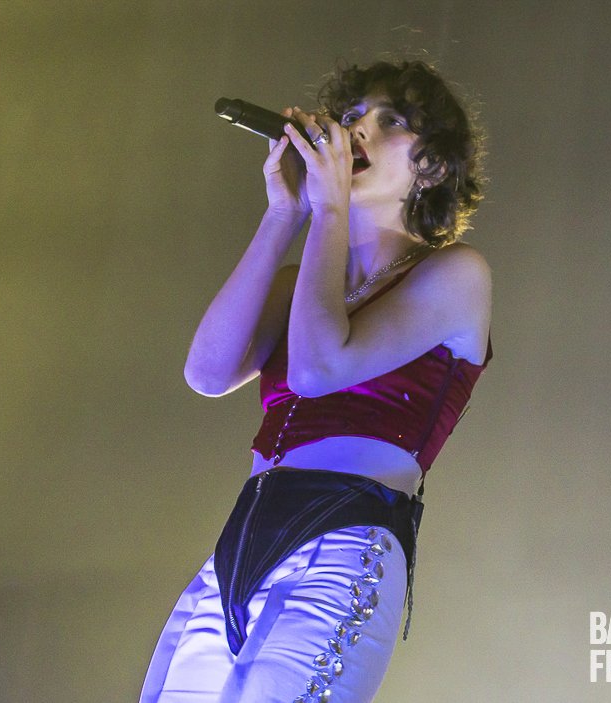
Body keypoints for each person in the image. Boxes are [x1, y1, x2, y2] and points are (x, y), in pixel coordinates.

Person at [139, 59, 492, 703]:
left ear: (436, 168)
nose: (357, 130)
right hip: (242, 538)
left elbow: (317, 369)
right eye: (351, 115)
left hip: (345, 538)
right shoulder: (303, 286)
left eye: (391, 121)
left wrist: (331, 208)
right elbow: (206, 373)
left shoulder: (457, 275)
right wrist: (284, 214)